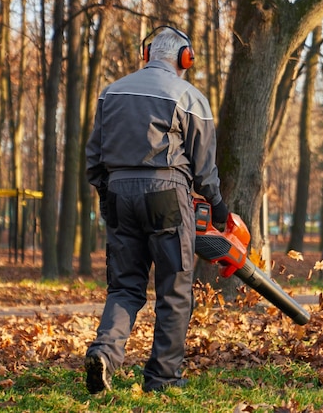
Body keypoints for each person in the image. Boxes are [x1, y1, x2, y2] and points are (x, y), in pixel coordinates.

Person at [84, 26, 228, 394]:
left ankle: (104, 353)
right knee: (174, 290)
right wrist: (219, 208)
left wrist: (108, 195)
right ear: (184, 58)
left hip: (117, 192)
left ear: (147, 54)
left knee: (124, 287)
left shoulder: (110, 92)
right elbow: (204, 169)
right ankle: (162, 378)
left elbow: (93, 159)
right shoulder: (189, 97)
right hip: (166, 193)